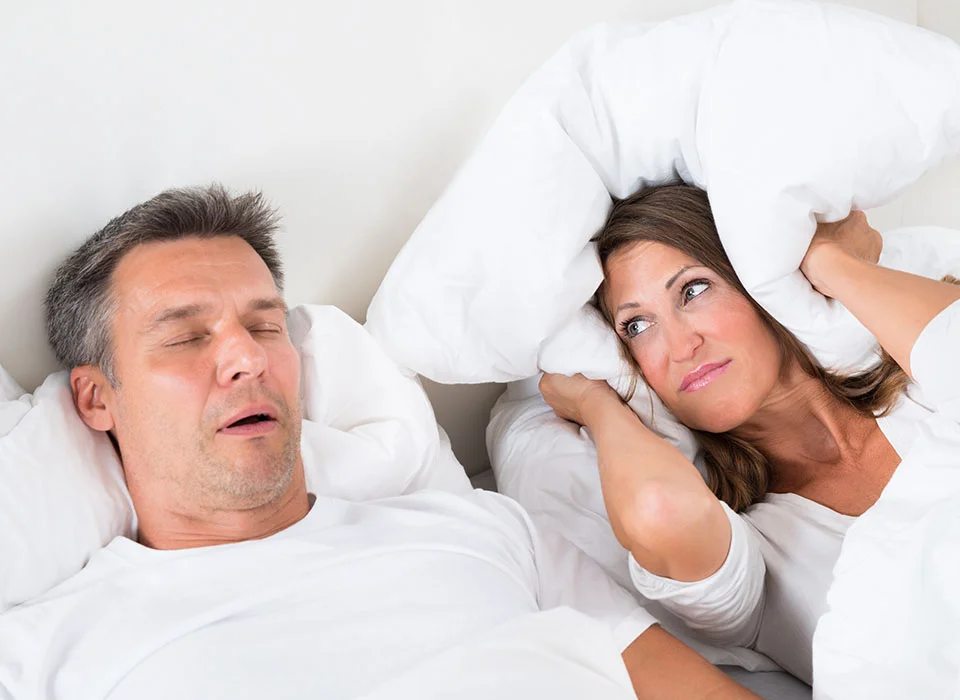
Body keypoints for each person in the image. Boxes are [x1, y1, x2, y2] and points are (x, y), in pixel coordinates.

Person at [0, 184, 759, 700]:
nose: (247, 357)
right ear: (97, 399)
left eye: (265, 325)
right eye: (187, 337)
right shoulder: (45, 654)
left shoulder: (484, 531)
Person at [539, 183, 960, 684]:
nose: (680, 345)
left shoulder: (925, 384)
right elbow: (659, 510)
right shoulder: (753, 549)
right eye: (637, 327)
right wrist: (598, 403)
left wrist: (826, 261)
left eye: (692, 291)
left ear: (755, 285)